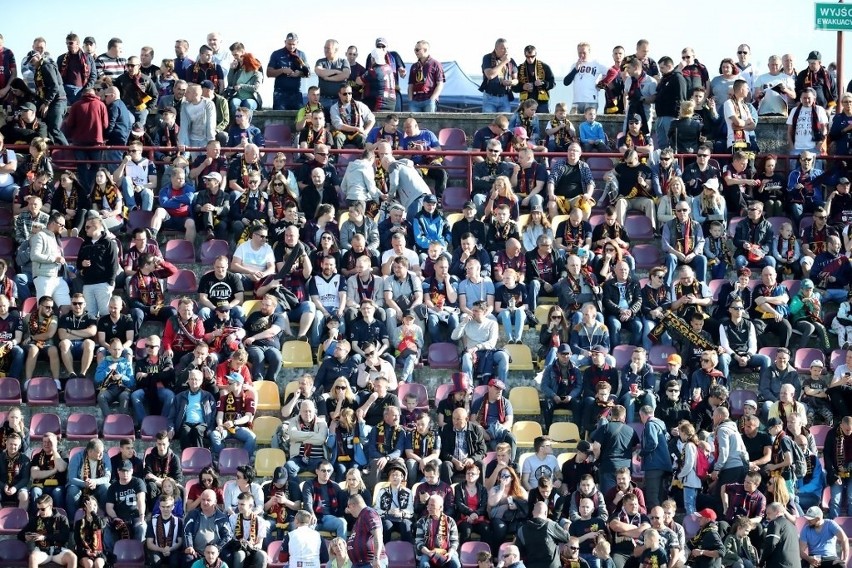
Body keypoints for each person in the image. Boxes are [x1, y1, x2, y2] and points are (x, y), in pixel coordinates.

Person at [182, 490, 233, 567]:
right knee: (188, 558)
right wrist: (189, 546)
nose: (205, 502)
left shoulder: (222, 517)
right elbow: (187, 531)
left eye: (208, 500)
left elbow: (228, 536)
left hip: (215, 552)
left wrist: (217, 548)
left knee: (228, 556)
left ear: (215, 502)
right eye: (203, 499)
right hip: (196, 551)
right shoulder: (193, 514)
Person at [761, 502, 800, 568]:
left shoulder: (775, 523)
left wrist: (762, 561)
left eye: (768, 514)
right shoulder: (793, 527)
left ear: (777, 512)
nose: (767, 517)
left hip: (780, 565)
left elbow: (771, 544)